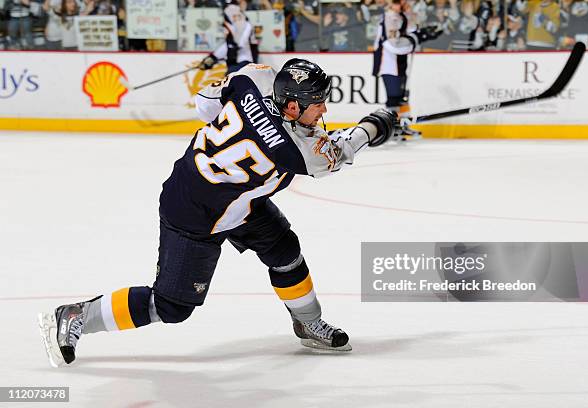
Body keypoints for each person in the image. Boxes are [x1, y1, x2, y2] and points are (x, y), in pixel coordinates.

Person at [38, 58, 401, 367]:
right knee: (171, 306)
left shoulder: (254, 78)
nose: (324, 110)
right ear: (291, 106)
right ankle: (77, 316)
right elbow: (340, 149)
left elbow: (205, 103)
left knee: (285, 251)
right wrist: (374, 126)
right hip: (195, 213)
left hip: (230, 197)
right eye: (318, 103)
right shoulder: (302, 152)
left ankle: (308, 324)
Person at [372, 0, 441, 140]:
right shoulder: (389, 17)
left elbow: (409, 31)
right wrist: (417, 38)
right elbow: (392, 44)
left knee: (402, 97)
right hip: (389, 64)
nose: (400, 4)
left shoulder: (400, 16)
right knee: (393, 98)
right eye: (397, 2)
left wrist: (420, 33)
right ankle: (393, 127)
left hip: (400, 62)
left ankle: (403, 126)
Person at [199, 1, 258, 75]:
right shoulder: (235, 21)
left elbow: (237, 44)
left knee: (231, 82)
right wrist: (213, 57)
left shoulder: (233, 12)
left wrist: (214, 57)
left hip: (244, 63)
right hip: (238, 63)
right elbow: (231, 43)